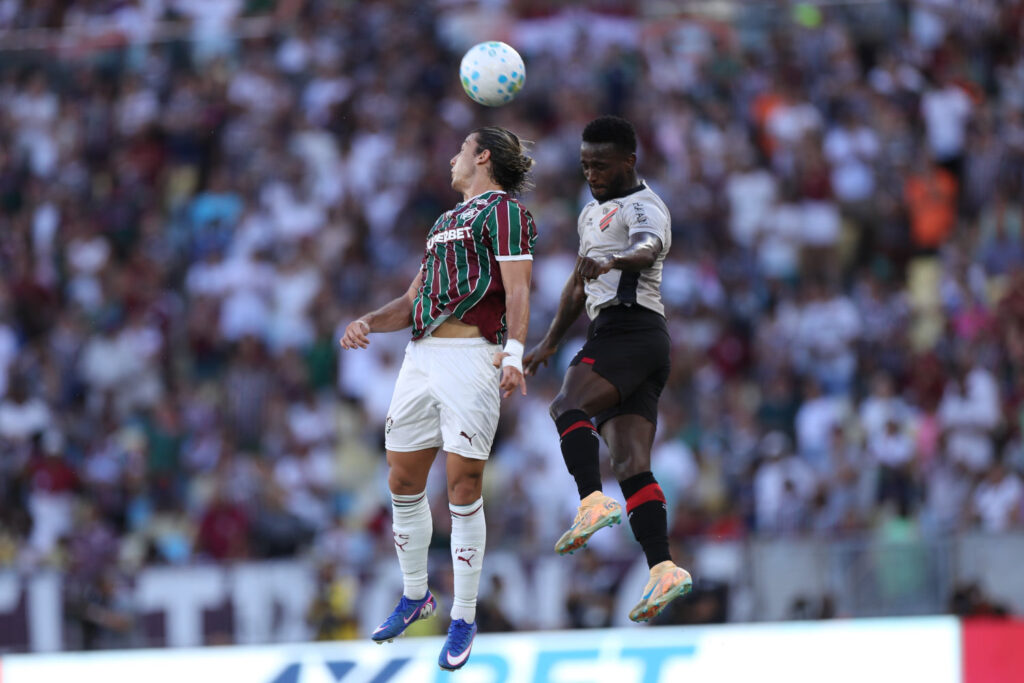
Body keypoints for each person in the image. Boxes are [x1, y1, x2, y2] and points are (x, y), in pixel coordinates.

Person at [339, 127, 536, 670]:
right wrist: (368, 321)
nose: (452, 159)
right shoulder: (445, 221)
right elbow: (412, 299)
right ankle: (415, 594)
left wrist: (515, 353)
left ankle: (464, 615)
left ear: (483, 156)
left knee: (462, 485)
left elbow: (519, 287)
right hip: (420, 356)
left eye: (460, 150)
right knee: (401, 479)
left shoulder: (505, 212)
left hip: (473, 355)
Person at [524, 115, 691, 622]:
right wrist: (549, 342)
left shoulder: (645, 206)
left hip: (630, 329)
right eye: (585, 164)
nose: (591, 173)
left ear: (628, 161)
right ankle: (663, 566)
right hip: (631, 338)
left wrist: (615, 260)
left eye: (600, 164)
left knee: (566, 405)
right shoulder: (589, 214)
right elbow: (578, 285)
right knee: (630, 463)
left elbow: (647, 248)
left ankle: (591, 500)